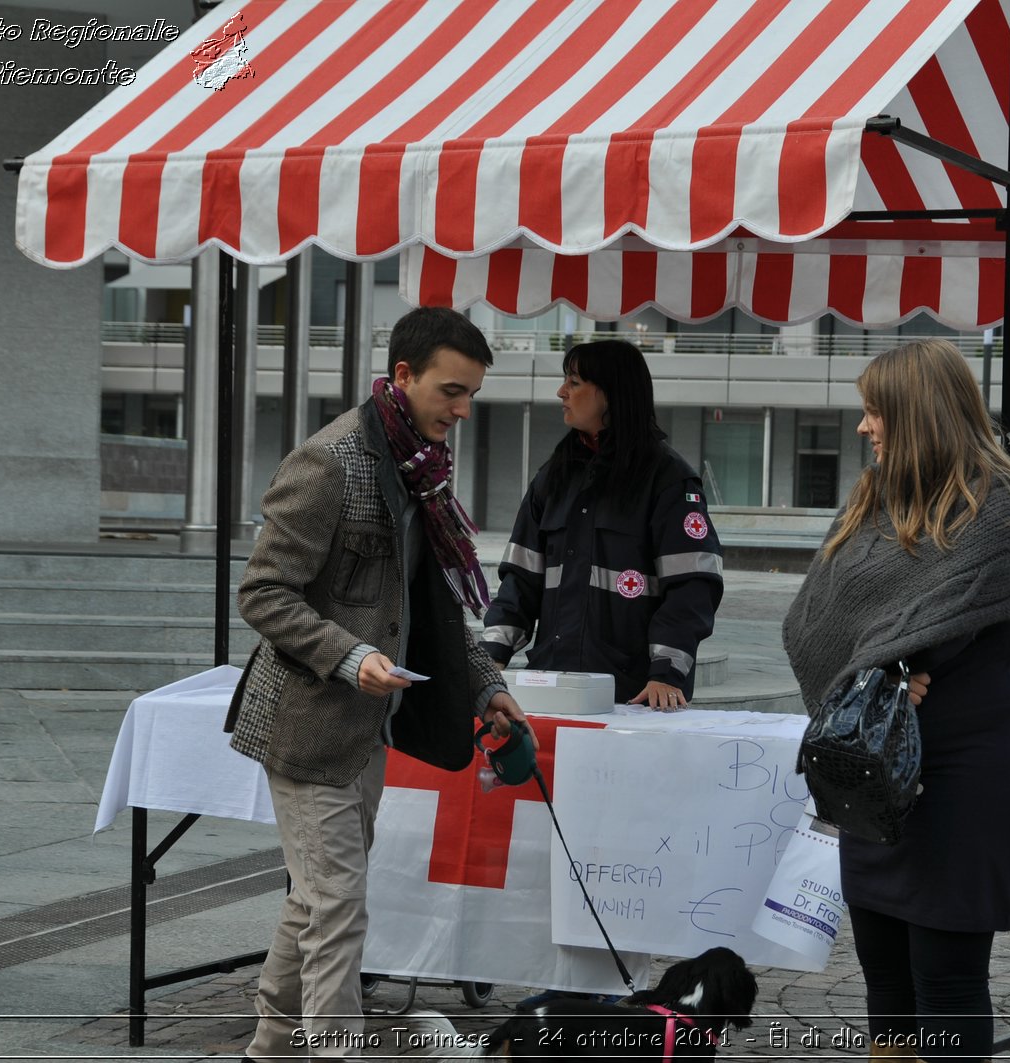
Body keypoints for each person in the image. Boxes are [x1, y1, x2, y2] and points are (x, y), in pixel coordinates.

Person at [224, 307, 531, 1060]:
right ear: (402, 376)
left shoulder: (419, 469)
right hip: (305, 726)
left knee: (314, 900)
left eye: (470, 396)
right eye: (452, 392)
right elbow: (263, 592)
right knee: (337, 906)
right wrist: (348, 654)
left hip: (370, 731)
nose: (462, 411)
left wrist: (486, 680)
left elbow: (430, 610)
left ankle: (266, 1047)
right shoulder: (329, 461)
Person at [782, 339, 1010, 1062]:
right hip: (876, 771)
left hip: (967, 771)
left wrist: (894, 666)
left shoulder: (998, 508)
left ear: (918, 413)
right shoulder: (874, 499)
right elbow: (816, 618)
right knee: (886, 982)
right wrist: (872, 676)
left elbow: (941, 618)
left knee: (948, 981)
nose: (865, 426)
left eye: (876, 411)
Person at [480, 339, 723, 710]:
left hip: (635, 693)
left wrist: (666, 672)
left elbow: (692, 586)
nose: (561, 392)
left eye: (574, 382)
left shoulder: (668, 479)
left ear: (611, 393)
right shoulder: (553, 477)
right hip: (553, 683)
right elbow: (521, 579)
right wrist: (491, 656)